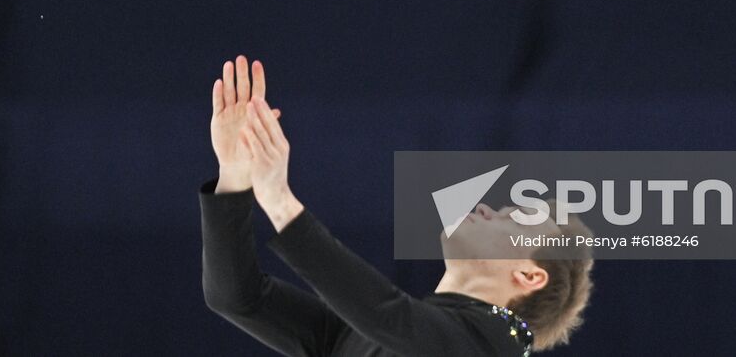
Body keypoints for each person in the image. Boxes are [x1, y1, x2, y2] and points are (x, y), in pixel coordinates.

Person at [201, 56, 595, 356]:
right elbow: (238, 298)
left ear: (529, 275)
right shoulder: (372, 336)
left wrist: (279, 200)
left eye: (513, 221)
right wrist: (234, 176)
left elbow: (386, 315)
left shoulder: (499, 345)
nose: (489, 210)